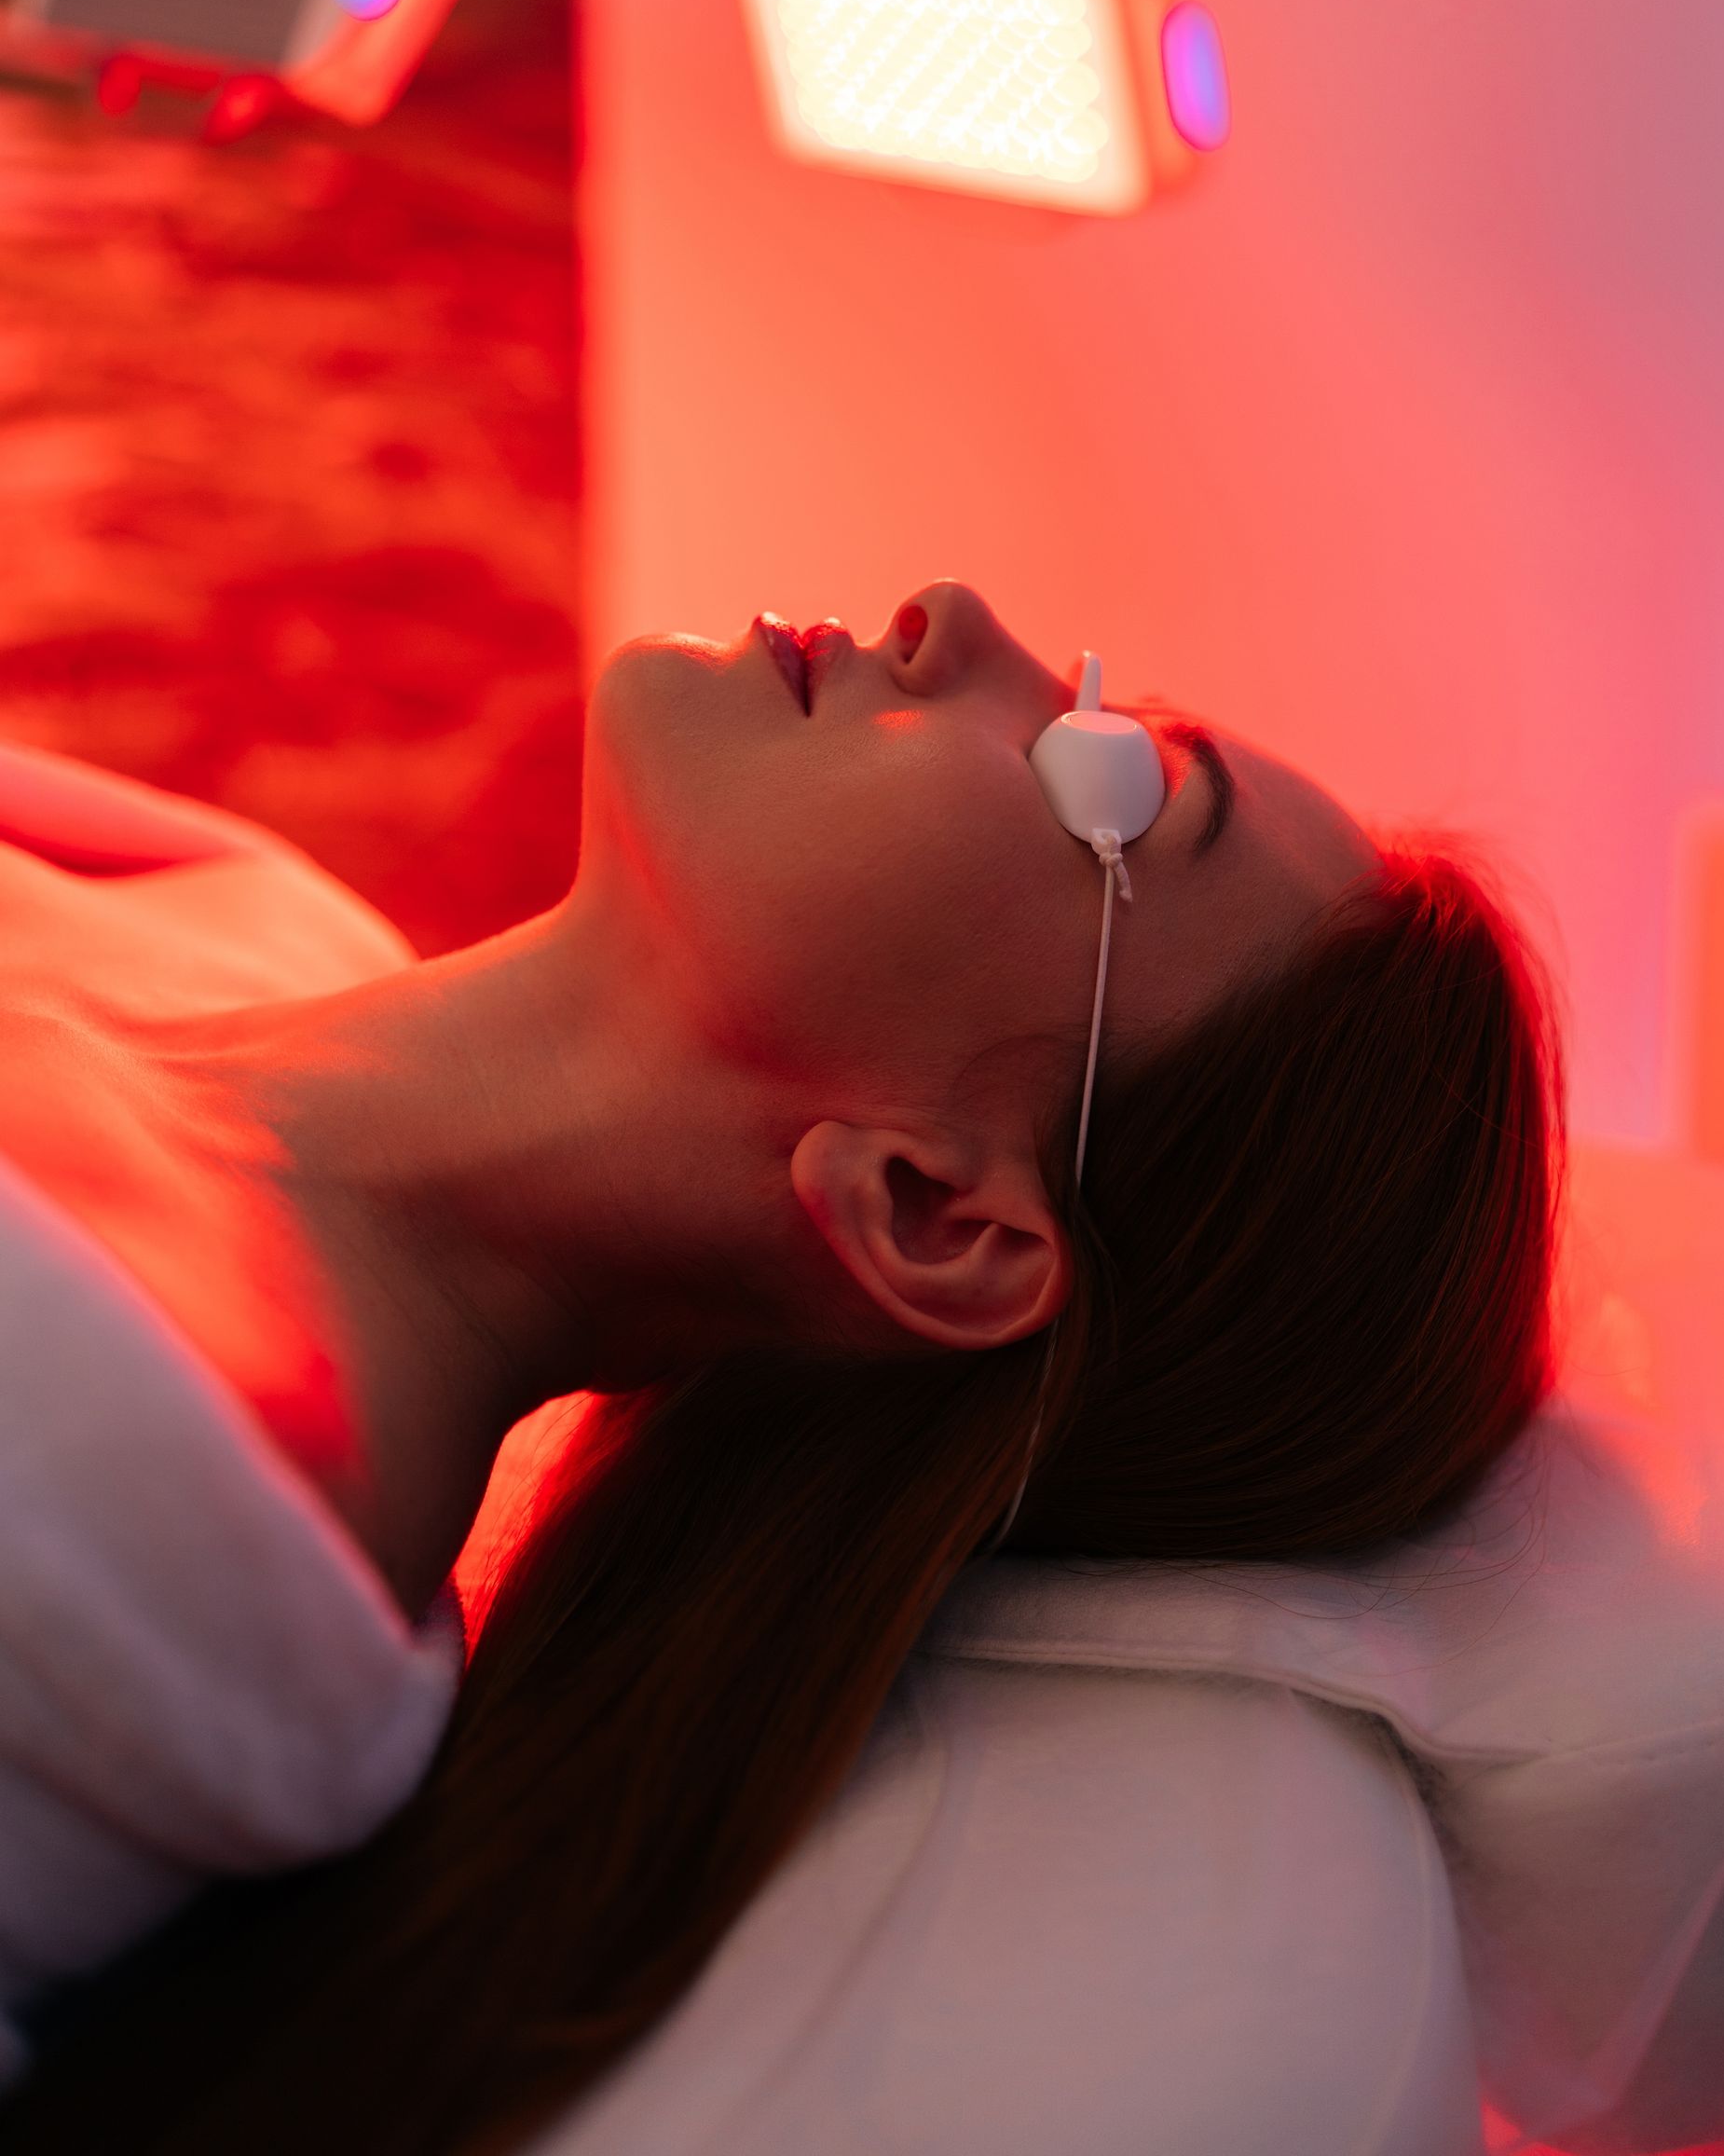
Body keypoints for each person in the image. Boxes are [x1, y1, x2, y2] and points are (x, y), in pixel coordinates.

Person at [0, 582, 1558, 2155]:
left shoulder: (178, 1530)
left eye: (1116, 778)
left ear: (934, 1215)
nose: (953, 613)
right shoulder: (249, 906)